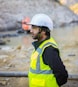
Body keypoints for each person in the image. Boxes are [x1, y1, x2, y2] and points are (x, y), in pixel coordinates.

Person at [28, 13, 68, 87]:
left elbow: (62, 75)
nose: (30, 30)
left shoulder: (49, 49)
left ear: (43, 31)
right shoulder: (41, 46)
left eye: (34, 28)